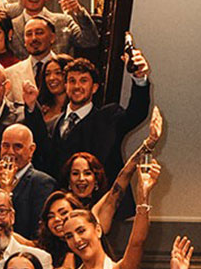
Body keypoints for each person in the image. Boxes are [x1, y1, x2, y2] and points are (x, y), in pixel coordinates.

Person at [42, 50, 151, 183]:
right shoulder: (51, 125)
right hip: (65, 200)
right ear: (66, 86)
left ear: (94, 87)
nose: (77, 86)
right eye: (72, 81)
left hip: (103, 199)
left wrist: (139, 78)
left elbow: (137, 112)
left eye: (83, 81)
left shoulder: (109, 118)